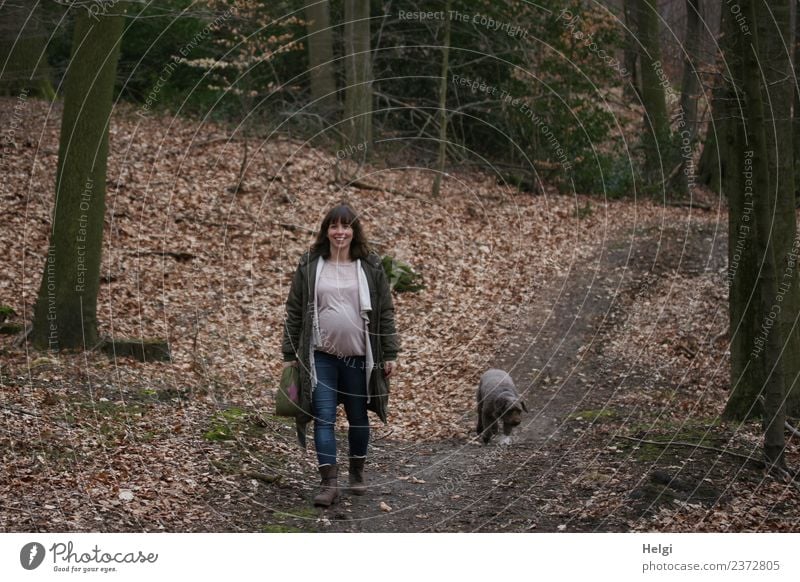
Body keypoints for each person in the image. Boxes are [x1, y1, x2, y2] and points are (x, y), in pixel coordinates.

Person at [282, 203, 400, 507]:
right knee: (323, 417)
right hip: (320, 355)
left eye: (345, 226)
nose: (340, 232)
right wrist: (290, 352)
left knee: (358, 419)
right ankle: (329, 483)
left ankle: (357, 473)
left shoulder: (370, 266)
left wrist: (390, 352)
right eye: (334, 226)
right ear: (326, 231)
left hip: (360, 358)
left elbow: (385, 311)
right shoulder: (310, 264)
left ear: (354, 231)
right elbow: (294, 310)